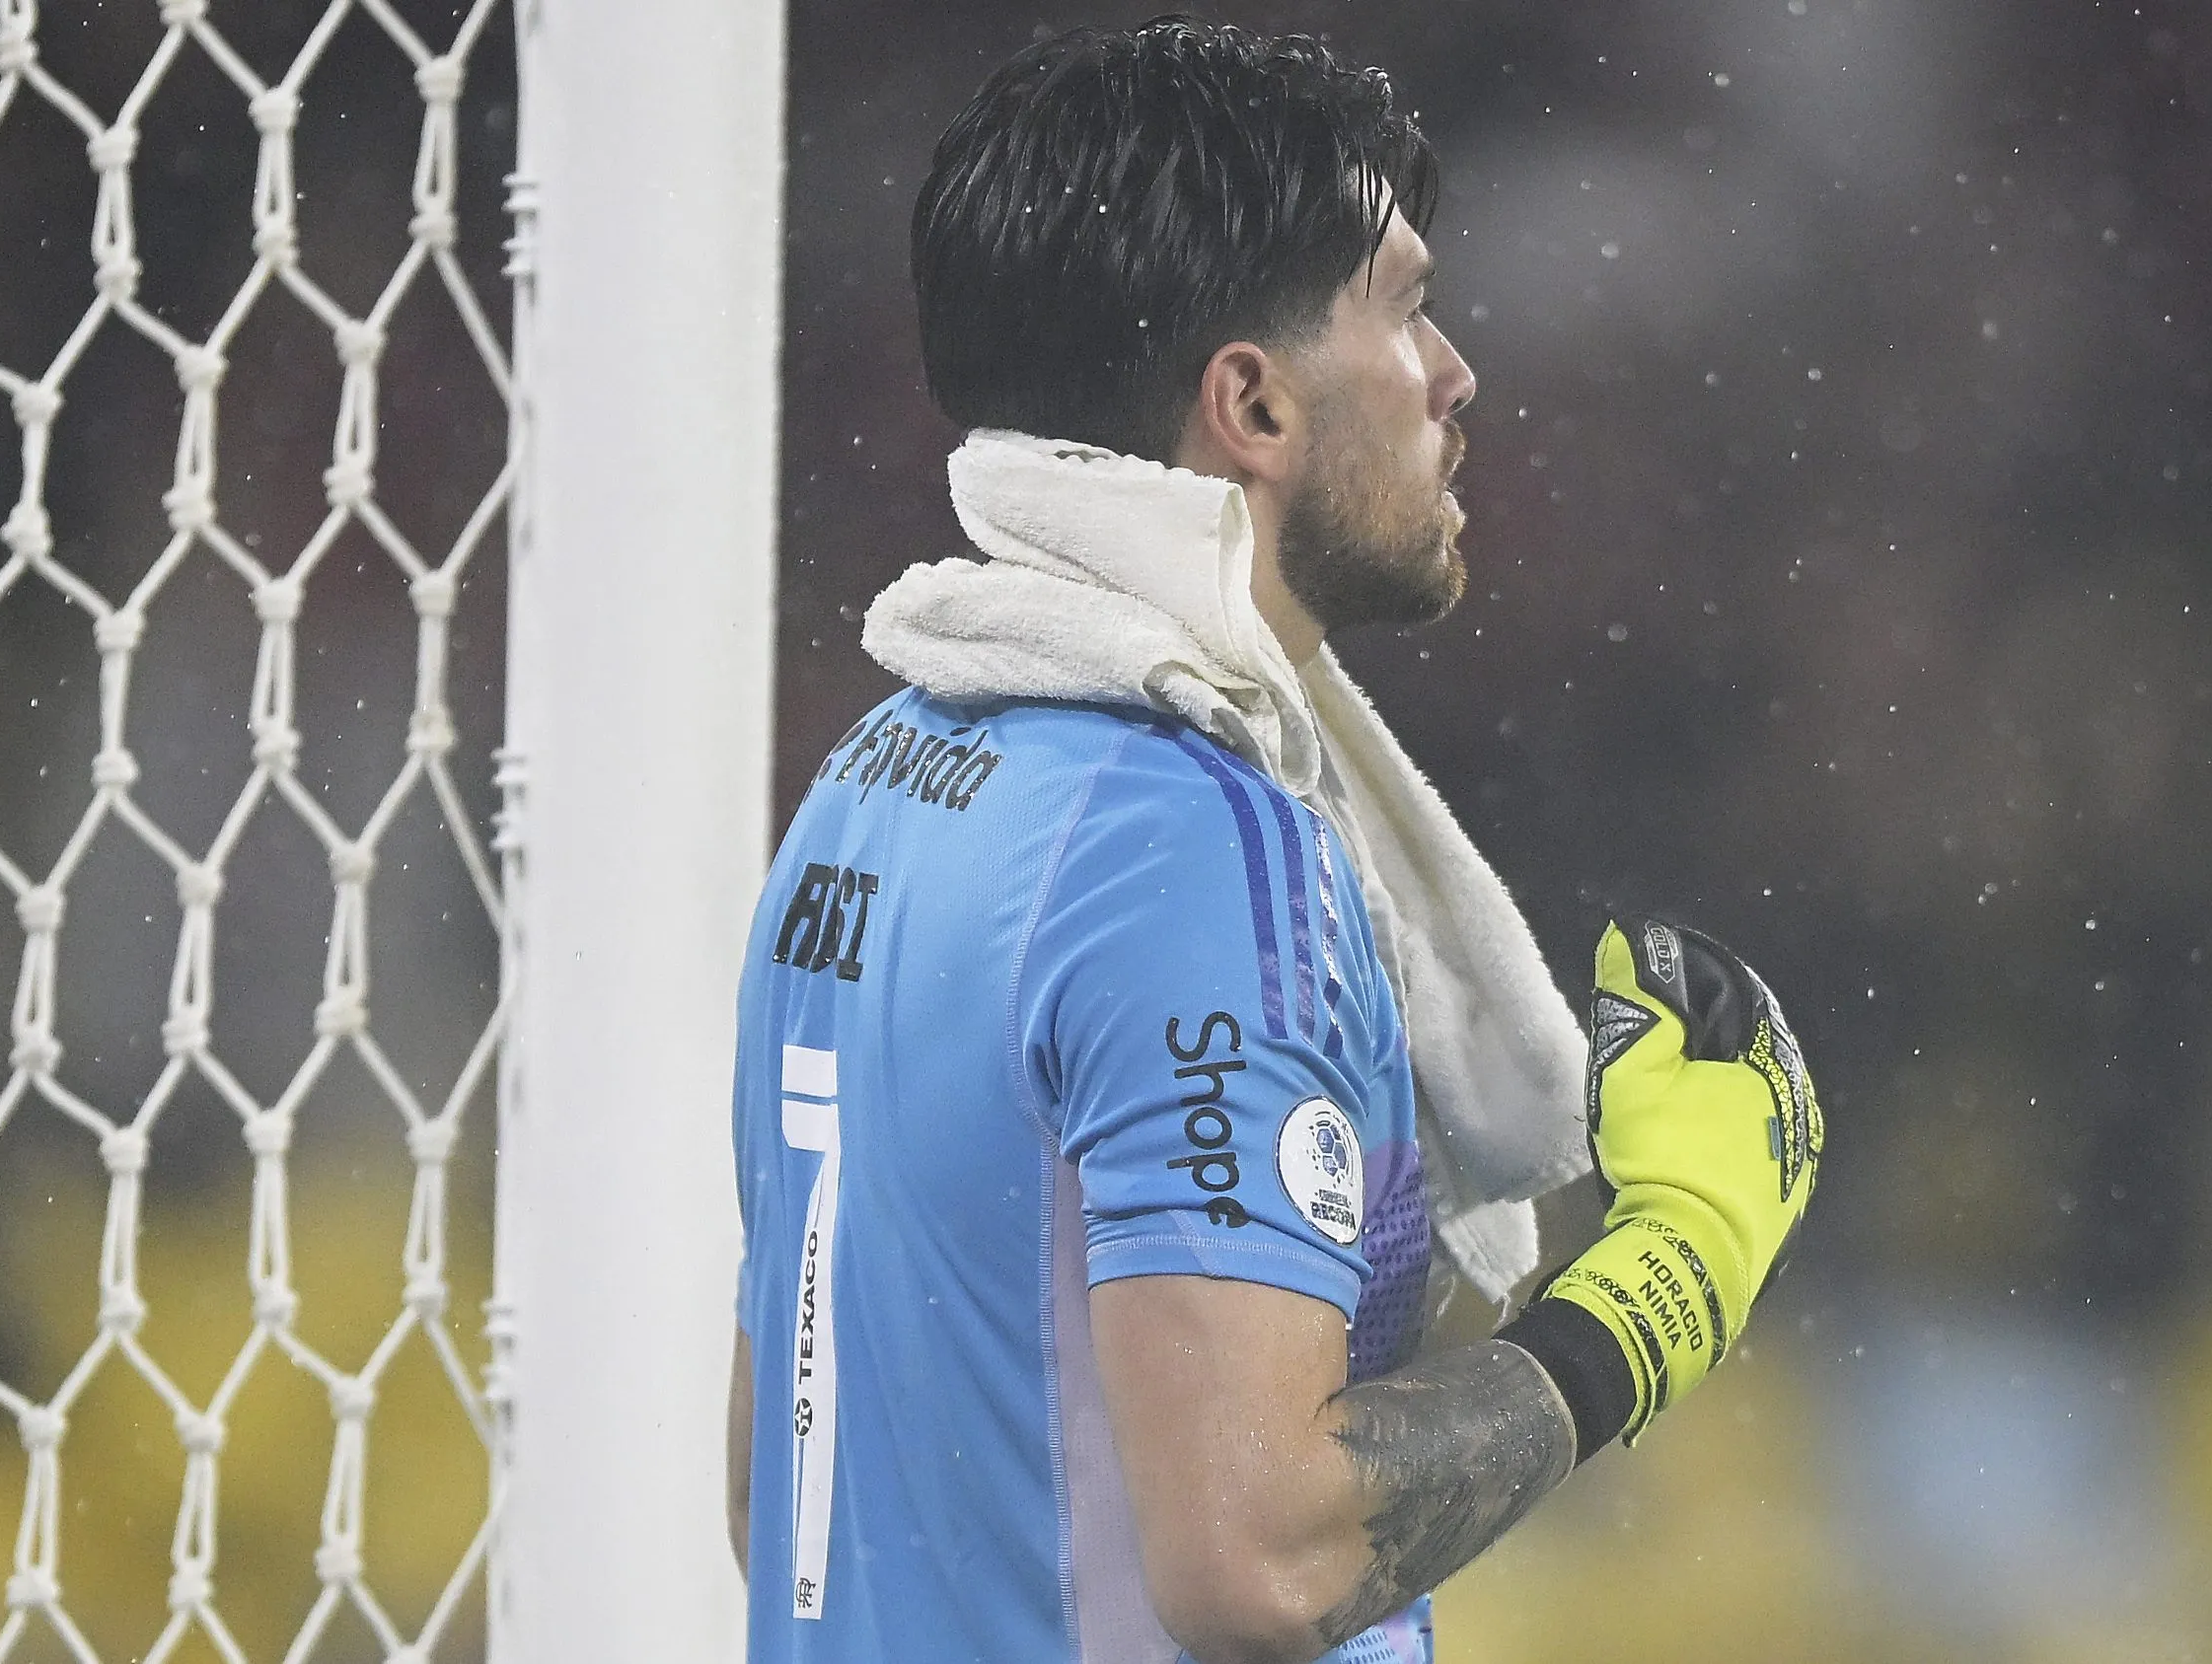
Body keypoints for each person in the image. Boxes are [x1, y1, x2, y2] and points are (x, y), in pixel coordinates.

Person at [725, 19, 1825, 1663]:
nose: (1456, 377)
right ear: (1250, 400)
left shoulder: (875, 783)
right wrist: (1668, 1283)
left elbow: (775, 1480)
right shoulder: (1188, 847)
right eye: (1403, 311)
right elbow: (1260, 1560)